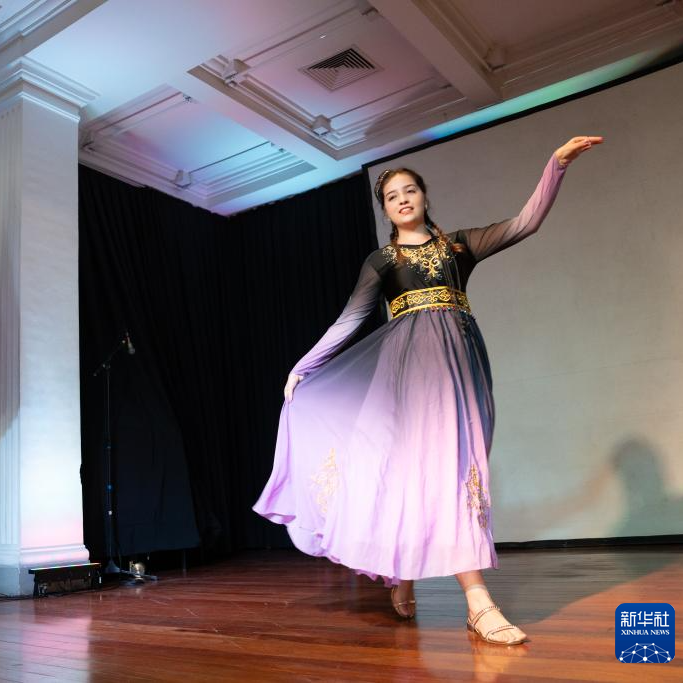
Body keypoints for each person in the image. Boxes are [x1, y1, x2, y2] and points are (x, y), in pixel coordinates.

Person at [253, 136, 602, 645]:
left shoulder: (458, 246)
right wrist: (304, 366)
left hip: (462, 365)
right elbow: (349, 319)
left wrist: (557, 164)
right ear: (385, 209)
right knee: (440, 471)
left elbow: (525, 222)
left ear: (423, 196)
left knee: (458, 469)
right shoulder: (381, 261)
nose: (402, 199)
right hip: (411, 375)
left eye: (409, 190)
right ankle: (478, 604)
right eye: (392, 196)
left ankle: (404, 571)